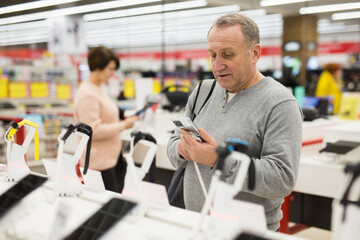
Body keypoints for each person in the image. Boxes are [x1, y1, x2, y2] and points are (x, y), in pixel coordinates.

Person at [167, 13, 303, 232]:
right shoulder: (203, 91)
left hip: (248, 232)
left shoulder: (280, 103)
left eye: (228, 55)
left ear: (255, 53)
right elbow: (173, 148)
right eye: (212, 55)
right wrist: (183, 149)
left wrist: (217, 160)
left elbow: (282, 178)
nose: (217, 65)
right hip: (196, 225)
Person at [74, 46, 138, 192]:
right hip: (98, 166)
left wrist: (121, 116)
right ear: (97, 67)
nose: (112, 73)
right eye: (110, 69)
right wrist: (124, 125)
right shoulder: (87, 94)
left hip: (109, 161)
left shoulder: (97, 88)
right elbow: (93, 131)